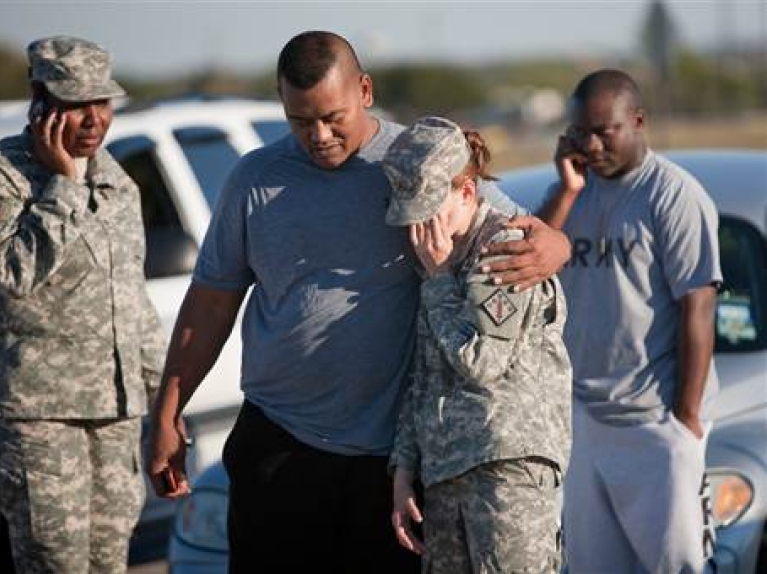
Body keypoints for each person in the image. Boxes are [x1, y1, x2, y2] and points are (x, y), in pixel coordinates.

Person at [147, 30, 571, 574]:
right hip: (278, 446)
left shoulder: (416, 163)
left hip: (384, 462)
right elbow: (209, 305)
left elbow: (507, 227)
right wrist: (167, 411)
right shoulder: (254, 180)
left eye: (332, 117)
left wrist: (558, 245)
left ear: (364, 91)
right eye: (299, 120)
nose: (318, 135)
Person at [0, 36, 166, 573]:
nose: (93, 118)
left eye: (101, 103)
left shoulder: (117, 182)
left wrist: (165, 402)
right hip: (38, 418)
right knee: (56, 564)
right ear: (40, 100)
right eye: (76, 104)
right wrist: (61, 188)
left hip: (115, 418)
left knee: (109, 564)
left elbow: (131, 300)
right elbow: (5, 275)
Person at [540, 69, 721, 573]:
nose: (592, 144)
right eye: (580, 132)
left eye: (605, 130)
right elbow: (529, 261)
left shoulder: (673, 195)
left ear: (637, 121)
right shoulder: (575, 193)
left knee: (676, 567)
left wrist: (684, 422)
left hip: (654, 423)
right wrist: (567, 189)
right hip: (584, 421)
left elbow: (698, 306)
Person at [385, 116, 571, 574]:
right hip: (447, 472)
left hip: (506, 473)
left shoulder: (506, 248)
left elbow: (482, 360)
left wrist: (441, 282)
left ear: (466, 191)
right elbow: (424, 370)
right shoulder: (439, 259)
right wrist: (405, 466)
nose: (418, 228)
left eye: (431, 210)